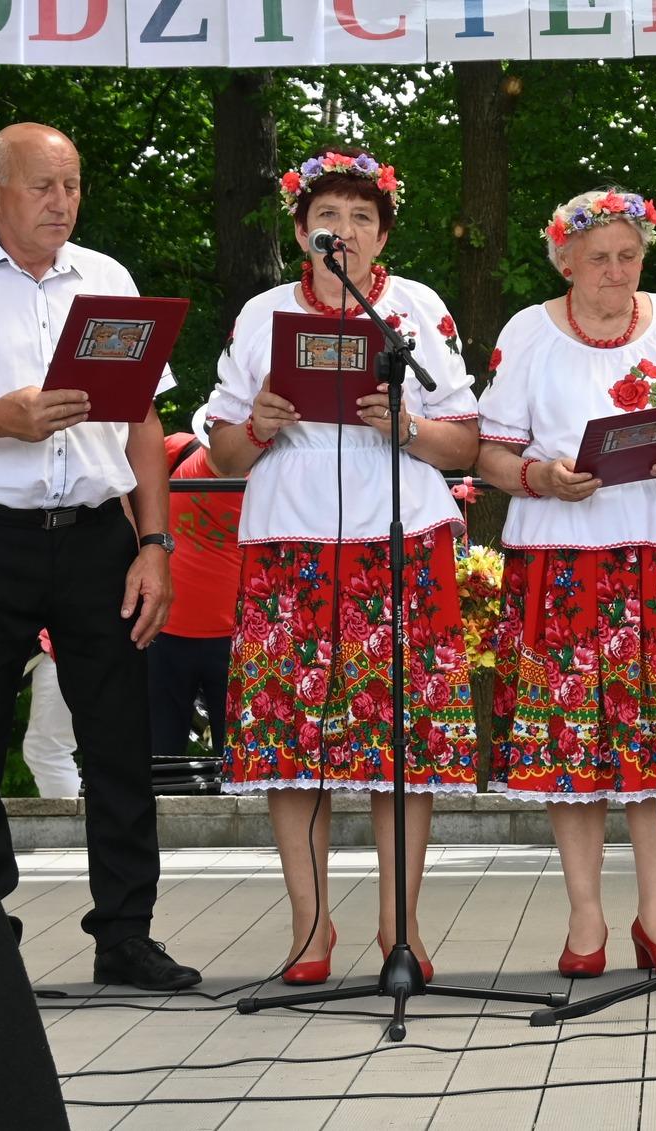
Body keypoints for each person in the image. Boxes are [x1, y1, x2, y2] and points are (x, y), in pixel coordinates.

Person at [0, 122, 199, 990]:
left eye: (73, 185)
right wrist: (0, 417)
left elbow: (143, 423)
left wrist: (155, 545)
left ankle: (125, 935)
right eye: (43, 186)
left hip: (97, 537)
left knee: (120, 743)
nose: (63, 202)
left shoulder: (108, 279)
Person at [204, 146, 481, 986]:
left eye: (363, 217)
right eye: (328, 215)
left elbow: (467, 442)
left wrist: (408, 428)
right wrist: (257, 425)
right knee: (293, 737)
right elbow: (221, 456)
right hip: (288, 542)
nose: (345, 230)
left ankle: (401, 925)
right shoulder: (261, 315)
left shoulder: (417, 308)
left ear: (382, 235)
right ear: (301, 232)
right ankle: (310, 922)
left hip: (400, 539)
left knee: (404, 740)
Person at [477, 188, 656, 979]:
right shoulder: (528, 331)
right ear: (566, 261)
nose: (616, 271)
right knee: (568, 742)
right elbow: (488, 454)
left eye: (628, 256)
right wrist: (542, 476)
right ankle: (586, 914)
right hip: (562, 558)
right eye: (598, 259)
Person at [148, 412, 243, 773]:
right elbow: (127, 484)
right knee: (157, 755)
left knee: (238, 761)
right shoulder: (177, 450)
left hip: (238, 638)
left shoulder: (275, 476)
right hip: (163, 629)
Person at [22, 631, 80, 797]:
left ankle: (79, 814)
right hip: (64, 641)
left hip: (62, 640)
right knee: (46, 749)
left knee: (47, 749)